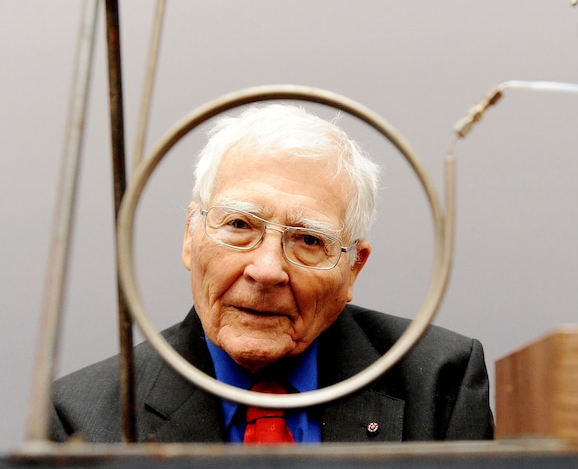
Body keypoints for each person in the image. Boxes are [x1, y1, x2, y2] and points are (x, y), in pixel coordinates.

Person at [51, 103, 494, 443]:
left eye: (308, 240)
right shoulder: (83, 418)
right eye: (240, 226)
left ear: (353, 268)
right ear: (191, 236)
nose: (266, 271)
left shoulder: (441, 384)